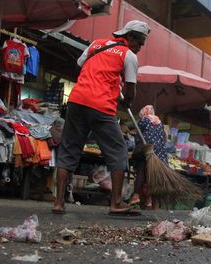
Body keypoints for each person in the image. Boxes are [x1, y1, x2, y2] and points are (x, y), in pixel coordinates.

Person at [52, 20, 150, 216]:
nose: (140, 48)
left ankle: (59, 202)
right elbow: (130, 89)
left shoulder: (96, 44)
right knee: (118, 151)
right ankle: (116, 203)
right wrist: (126, 100)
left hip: (77, 100)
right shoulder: (128, 56)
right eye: (140, 43)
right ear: (130, 37)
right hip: (100, 105)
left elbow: (81, 64)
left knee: (69, 149)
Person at [129, 105, 168, 210]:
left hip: (147, 149)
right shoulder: (159, 123)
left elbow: (138, 136)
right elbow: (163, 138)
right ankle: (152, 203)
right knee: (153, 176)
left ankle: (136, 196)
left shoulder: (144, 121)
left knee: (141, 170)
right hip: (160, 153)